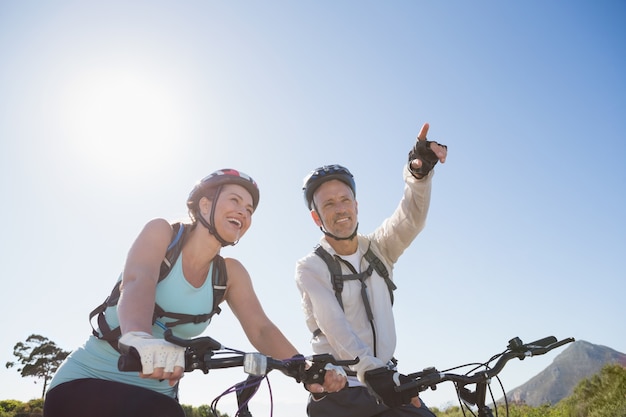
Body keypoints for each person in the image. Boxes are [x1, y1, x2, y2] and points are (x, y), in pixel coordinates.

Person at [44, 169, 346, 417]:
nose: (243, 211)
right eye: (235, 200)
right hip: (88, 379)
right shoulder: (163, 233)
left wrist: (305, 368)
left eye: (249, 209)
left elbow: (261, 328)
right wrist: (139, 338)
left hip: (156, 395)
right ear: (205, 205)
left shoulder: (230, 274)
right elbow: (138, 281)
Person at [295, 123, 448, 417]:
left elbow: (411, 218)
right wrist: (370, 370)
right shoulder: (310, 267)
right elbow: (334, 326)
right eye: (328, 204)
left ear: (356, 205)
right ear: (316, 218)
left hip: (387, 383)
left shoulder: (379, 250)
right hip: (339, 391)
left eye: (344, 200)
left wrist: (419, 175)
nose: (340, 209)